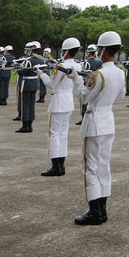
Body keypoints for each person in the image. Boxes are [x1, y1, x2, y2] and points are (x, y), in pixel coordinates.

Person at [70, 30, 126, 225]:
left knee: (90, 168)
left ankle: (95, 212)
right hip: (108, 120)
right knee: (103, 167)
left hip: (94, 122)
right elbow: (120, 95)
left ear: (103, 50)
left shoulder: (97, 74)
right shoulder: (119, 72)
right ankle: (102, 211)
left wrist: (77, 79)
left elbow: (83, 98)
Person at [38, 37, 81, 176]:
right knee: (63, 134)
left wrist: (41, 74)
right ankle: (61, 165)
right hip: (68, 101)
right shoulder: (78, 65)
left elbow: (52, 84)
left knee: (54, 134)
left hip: (58, 101)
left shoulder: (60, 66)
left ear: (66, 51)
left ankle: (56, 166)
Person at [16, 41, 44, 133]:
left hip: (26, 83)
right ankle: (30, 125)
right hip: (34, 82)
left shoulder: (28, 61)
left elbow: (21, 72)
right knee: (32, 105)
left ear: (31, 51)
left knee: (25, 104)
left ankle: (25, 125)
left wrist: (18, 68)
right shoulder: (41, 60)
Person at [76, 44, 102, 125]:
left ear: (88, 53)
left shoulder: (85, 63)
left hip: (87, 84)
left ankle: (84, 118)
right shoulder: (99, 63)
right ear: (95, 53)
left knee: (84, 102)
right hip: (96, 84)